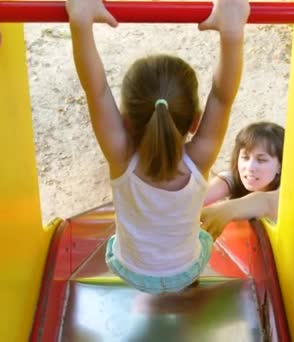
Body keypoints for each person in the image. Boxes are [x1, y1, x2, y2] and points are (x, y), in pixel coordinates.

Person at [66, 0, 249, 293]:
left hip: (132, 270)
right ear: (195, 122)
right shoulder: (200, 158)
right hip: (185, 268)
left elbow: (96, 89)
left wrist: (80, 21)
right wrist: (232, 31)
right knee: (195, 242)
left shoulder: (120, 156)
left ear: (125, 121)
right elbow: (222, 96)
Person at [201, 121, 285, 239]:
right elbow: (198, 198)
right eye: (245, 157)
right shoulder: (233, 178)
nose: (250, 167)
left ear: (280, 166)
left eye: (261, 160)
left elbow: (265, 202)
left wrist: (226, 210)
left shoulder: (285, 194)